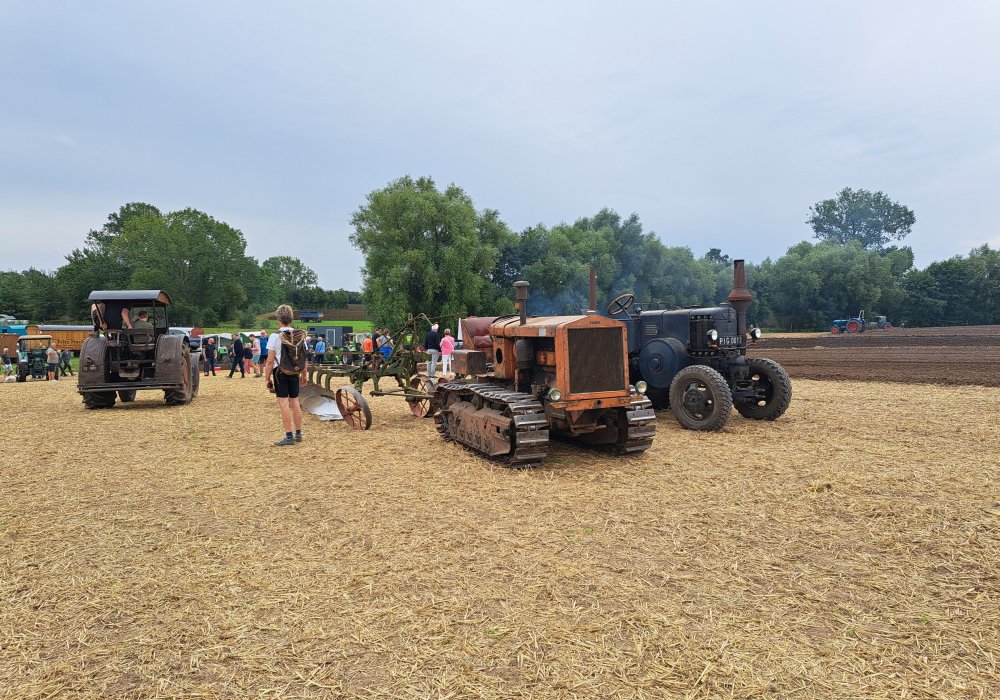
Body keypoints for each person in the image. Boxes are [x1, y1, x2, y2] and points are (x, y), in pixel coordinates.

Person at [264, 304, 308, 446]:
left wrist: (267, 378)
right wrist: (304, 375)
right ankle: (298, 434)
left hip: (280, 373)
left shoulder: (275, 336)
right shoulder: (299, 335)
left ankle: (289, 436)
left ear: (278, 319)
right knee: (295, 402)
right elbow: (304, 358)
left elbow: (270, 361)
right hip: (295, 371)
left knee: (283, 404)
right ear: (291, 319)